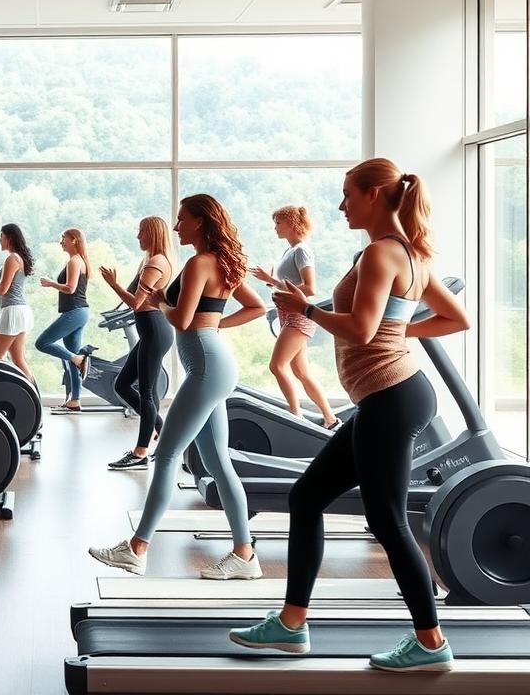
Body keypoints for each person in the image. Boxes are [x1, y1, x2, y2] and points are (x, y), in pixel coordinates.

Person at [229, 159, 469, 673]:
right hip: (389, 395)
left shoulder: (384, 253)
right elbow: (454, 318)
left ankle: (430, 643)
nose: (340, 205)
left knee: (387, 519)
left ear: (376, 195)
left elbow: (361, 331)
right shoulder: (407, 252)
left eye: (347, 195)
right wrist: (401, 333)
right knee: (308, 495)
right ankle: (292, 625)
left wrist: (308, 309)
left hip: (391, 396)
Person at [89, 194, 266, 579]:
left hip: (205, 366)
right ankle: (245, 555)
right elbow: (256, 307)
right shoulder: (222, 262)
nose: (175, 226)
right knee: (218, 462)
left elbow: (183, 321)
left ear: (201, 222)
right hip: (212, 362)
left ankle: (137, 548)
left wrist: (158, 301)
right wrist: (214, 325)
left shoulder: (201, 262)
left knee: (166, 455)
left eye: (182, 219)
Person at [248, 206, 338, 428]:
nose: (275, 227)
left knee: (277, 366)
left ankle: (295, 416)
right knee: (301, 372)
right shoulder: (289, 251)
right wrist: (269, 281)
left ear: (291, 224)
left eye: (279, 222)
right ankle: (331, 419)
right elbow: (287, 284)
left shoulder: (301, 251)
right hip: (287, 315)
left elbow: (309, 288)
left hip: (298, 316)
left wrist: (272, 280)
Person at [98, 216, 176, 469]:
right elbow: (135, 298)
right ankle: (160, 427)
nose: (137, 236)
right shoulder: (149, 260)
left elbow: (136, 303)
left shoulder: (155, 263)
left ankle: (141, 452)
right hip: (149, 332)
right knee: (121, 385)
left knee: (146, 393)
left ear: (152, 234)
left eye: (141, 232)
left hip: (155, 330)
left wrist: (113, 284)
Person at [36, 228, 91, 411]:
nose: (61, 242)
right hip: (79, 312)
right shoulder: (80, 261)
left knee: (42, 342)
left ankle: (79, 359)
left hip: (75, 312)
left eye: (63, 238)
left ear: (74, 240)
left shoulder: (74, 262)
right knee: (72, 357)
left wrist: (51, 283)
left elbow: (70, 288)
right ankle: (75, 400)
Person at [0, 223, 36, 384]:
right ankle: (34, 399)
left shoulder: (12, 258)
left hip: (12, 312)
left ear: (9, 238)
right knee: (18, 360)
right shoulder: (18, 258)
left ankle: (1, 396)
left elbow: (3, 290)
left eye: (1, 236)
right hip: (20, 311)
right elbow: (7, 287)